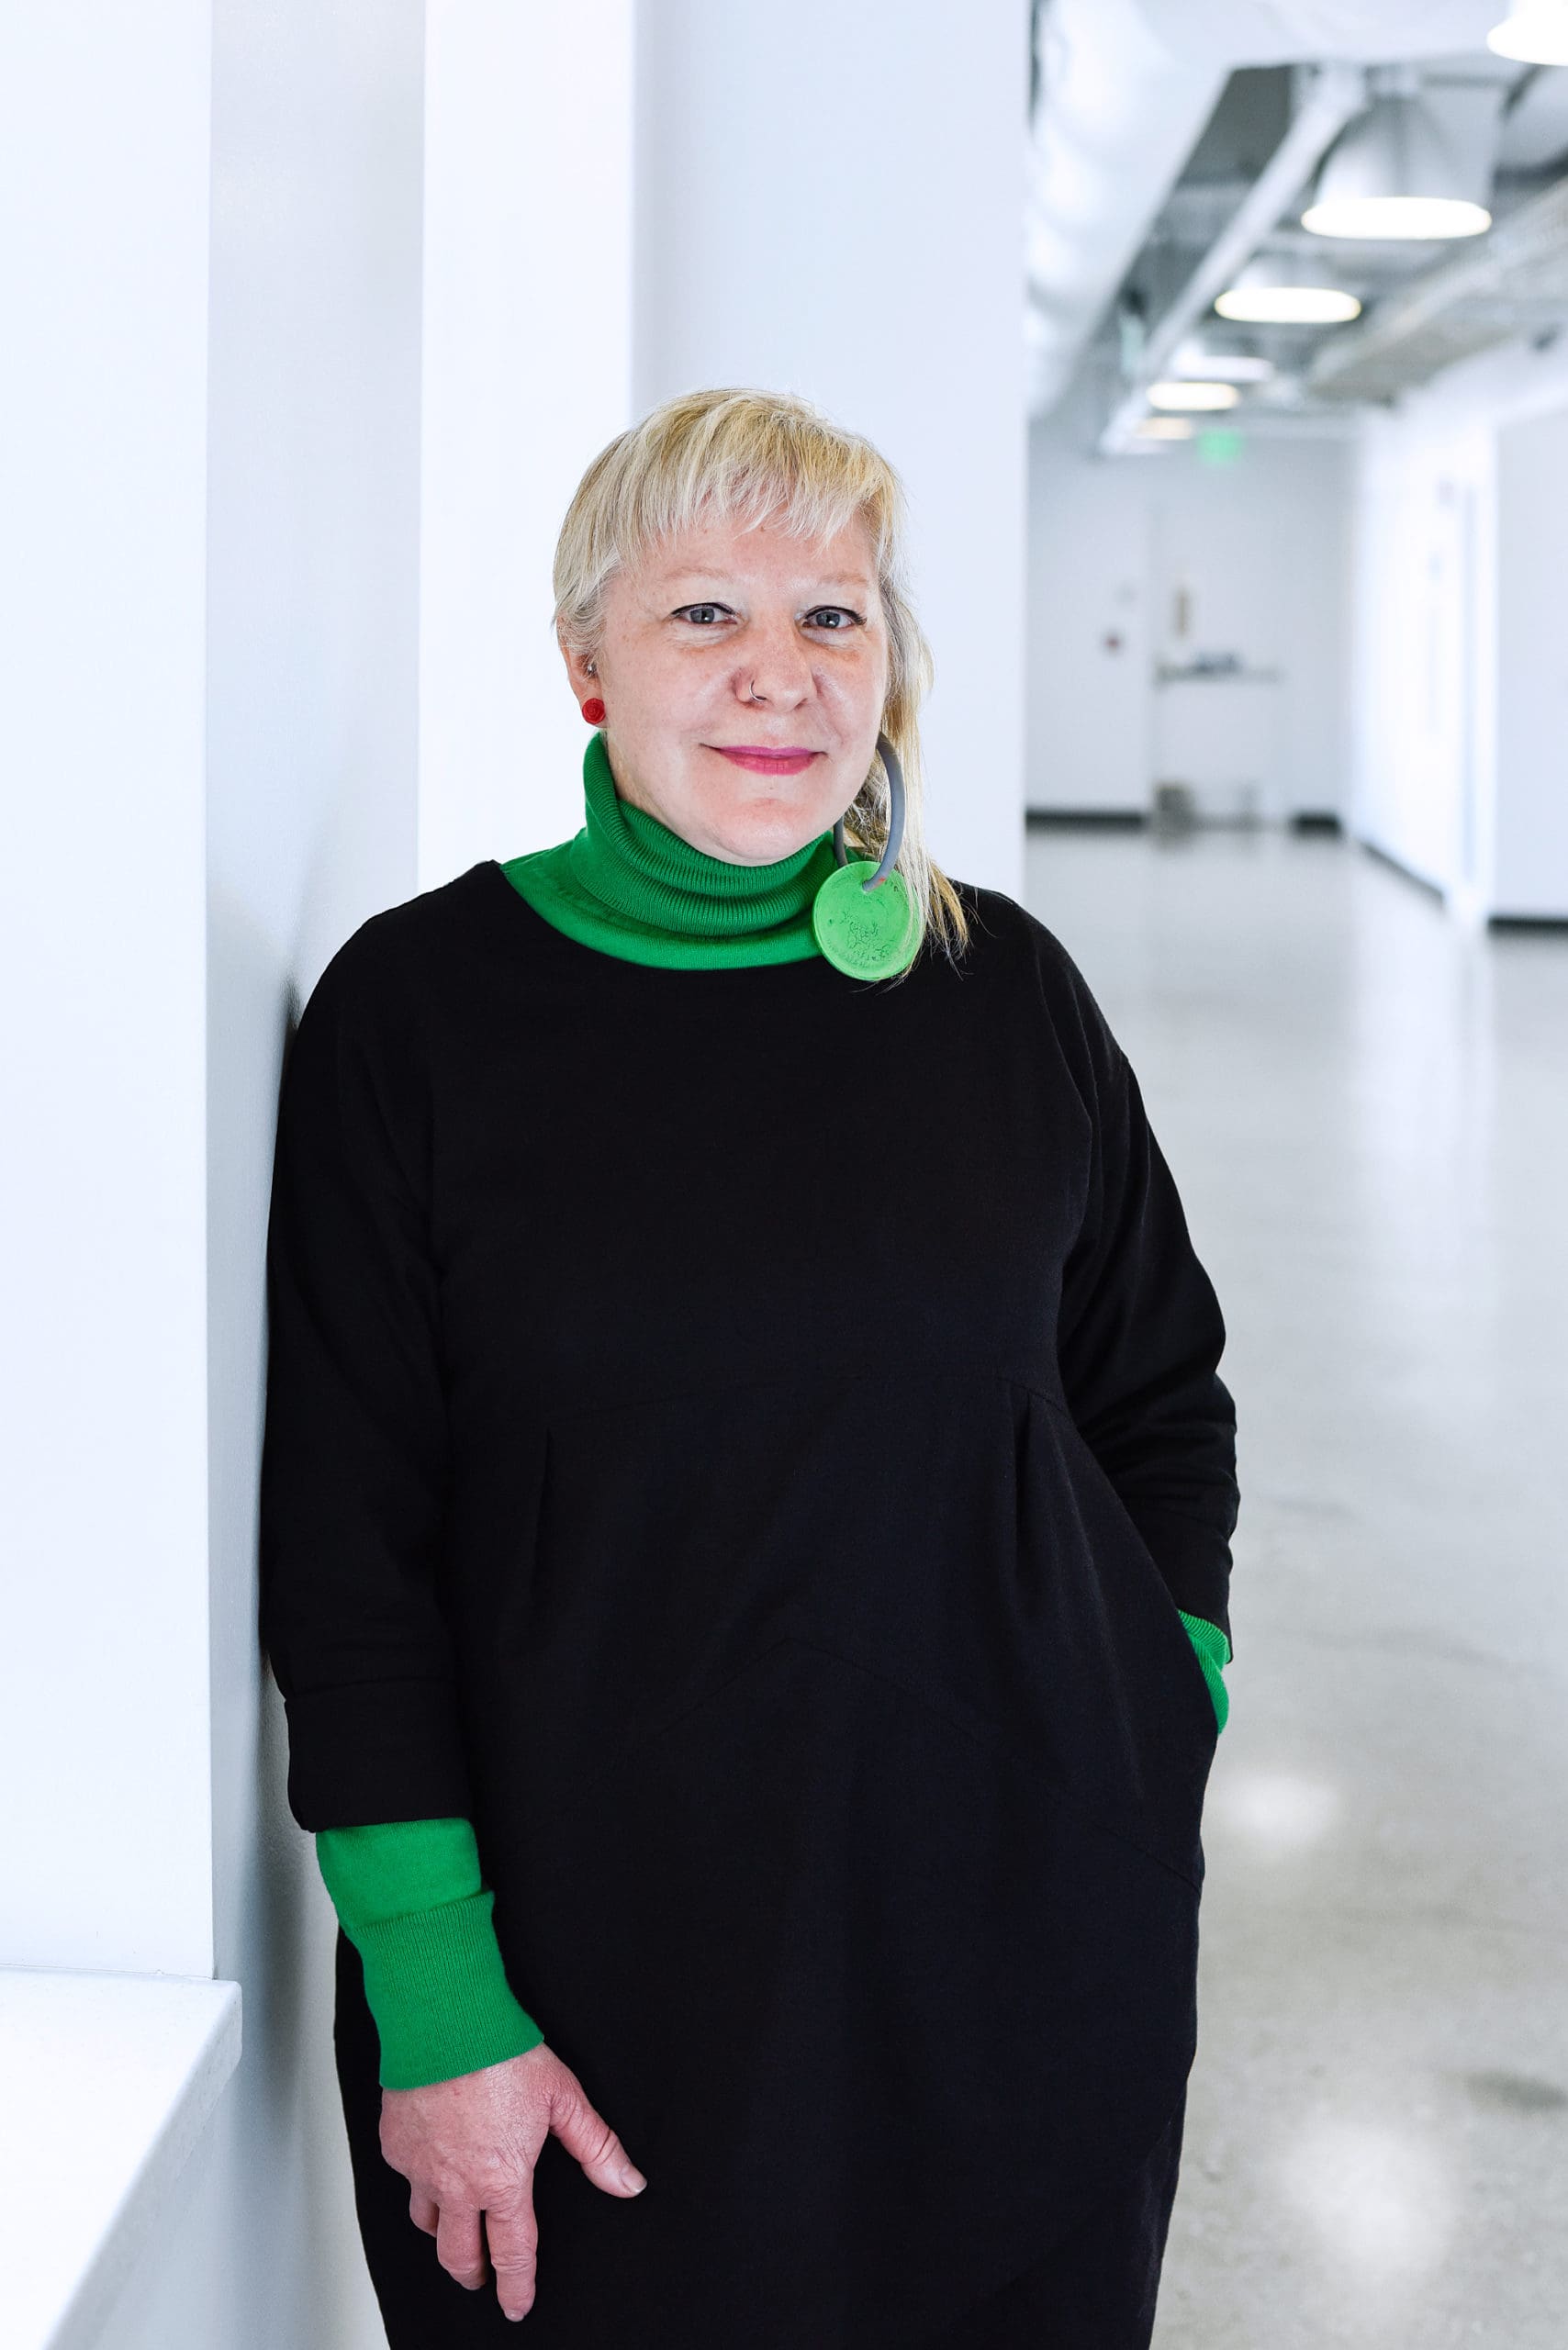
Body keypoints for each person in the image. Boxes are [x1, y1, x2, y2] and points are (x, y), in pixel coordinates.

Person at [258, 384, 1238, 2348]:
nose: (779, 677)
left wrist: (1166, 1691)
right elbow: (348, 1547)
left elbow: (1155, 1385)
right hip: (598, 1978)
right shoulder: (422, 1015)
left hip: (1021, 1939)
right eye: (705, 614)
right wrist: (440, 1996)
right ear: (587, 666)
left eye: (835, 617)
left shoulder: (1002, 987)